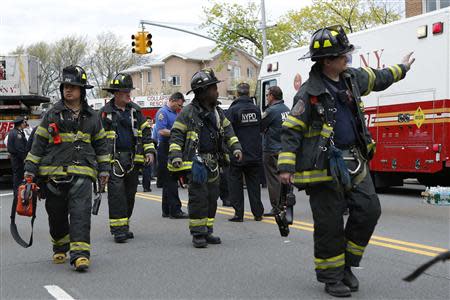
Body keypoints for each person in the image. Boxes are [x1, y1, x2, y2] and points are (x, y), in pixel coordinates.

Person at [278, 25, 415, 297]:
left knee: (369, 209)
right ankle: (332, 277)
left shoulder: (351, 78)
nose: (348, 58)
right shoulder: (309, 93)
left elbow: (379, 77)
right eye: (343, 55)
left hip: (354, 159)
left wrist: (403, 68)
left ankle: (347, 265)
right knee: (329, 224)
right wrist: (285, 167)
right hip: (323, 166)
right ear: (327, 61)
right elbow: (291, 130)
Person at [24, 65, 110, 271]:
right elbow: (39, 144)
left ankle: (80, 255)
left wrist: (104, 169)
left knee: (80, 213)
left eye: (72, 87)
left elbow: (101, 145)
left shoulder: (93, 117)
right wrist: (29, 170)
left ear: (82, 90)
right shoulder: (52, 115)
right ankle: (60, 246)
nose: (67, 90)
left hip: (82, 174)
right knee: (56, 215)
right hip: (52, 176)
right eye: (65, 87)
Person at [168, 68, 242, 248]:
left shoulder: (218, 112)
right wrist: (176, 156)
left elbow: (229, 132)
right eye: (213, 88)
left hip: (214, 163)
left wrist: (236, 148)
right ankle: (198, 234)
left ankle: (208, 231)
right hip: (196, 164)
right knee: (198, 199)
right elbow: (176, 135)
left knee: (212, 199)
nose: (217, 91)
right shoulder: (188, 112)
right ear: (202, 92)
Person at [100, 73, 156, 243]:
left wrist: (149, 151)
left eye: (129, 91)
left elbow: (146, 133)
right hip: (114, 160)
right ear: (116, 93)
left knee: (130, 194)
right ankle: (118, 229)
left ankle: (125, 225)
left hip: (133, 160)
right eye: (124, 91)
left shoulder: (136, 111)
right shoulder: (104, 114)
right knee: (116, 195)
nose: (128, 94)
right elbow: (98, 140)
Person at [226, 82, 264, 222]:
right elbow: (260, 129)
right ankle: (258, 213)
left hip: (238, 153)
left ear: (237, 93)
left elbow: (227, 131)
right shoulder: (255, 109)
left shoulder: (233, 110)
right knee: (254, 184)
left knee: (235, 184)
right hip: (254, 153)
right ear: (248, 93)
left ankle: (239, 214)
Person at [154, 92, 188, 219]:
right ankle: (175, 210)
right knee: (172, 180)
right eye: (178, 105)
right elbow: (161, 131)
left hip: (174, 146)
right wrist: (178, 133)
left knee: (169, 180)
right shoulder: (162, 113)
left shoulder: (176, 113)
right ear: (172, 100)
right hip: (165, 147)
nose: (179, 107)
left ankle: (166, 210)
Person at [261, 86, 290, 216]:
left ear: (272, 96)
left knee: (273, 179)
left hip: (272, 149)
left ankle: (276, 207)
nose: (267, 97)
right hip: (285, 149)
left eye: (267, 95)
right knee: (286, 178)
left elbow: (261, 126)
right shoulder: (287, 110)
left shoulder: (271, 111)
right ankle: (286, 203)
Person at [7, 116, 28, 203]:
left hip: (15, 158)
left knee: (17, 176)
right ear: (20, 124)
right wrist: (25, 159)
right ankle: (17, 195)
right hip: (18, 159)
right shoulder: (18, 134)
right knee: (18, 177)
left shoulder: (13, 132)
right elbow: (20, 149)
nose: (25, 124)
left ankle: (17, 194)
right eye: (24, 123)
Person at [142, 117, 154, 192]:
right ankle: (146, 187)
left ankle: (146, 187)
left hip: (141, 150)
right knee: (146, 168)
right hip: (144, 150)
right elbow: (148, 139)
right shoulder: (146, 127)